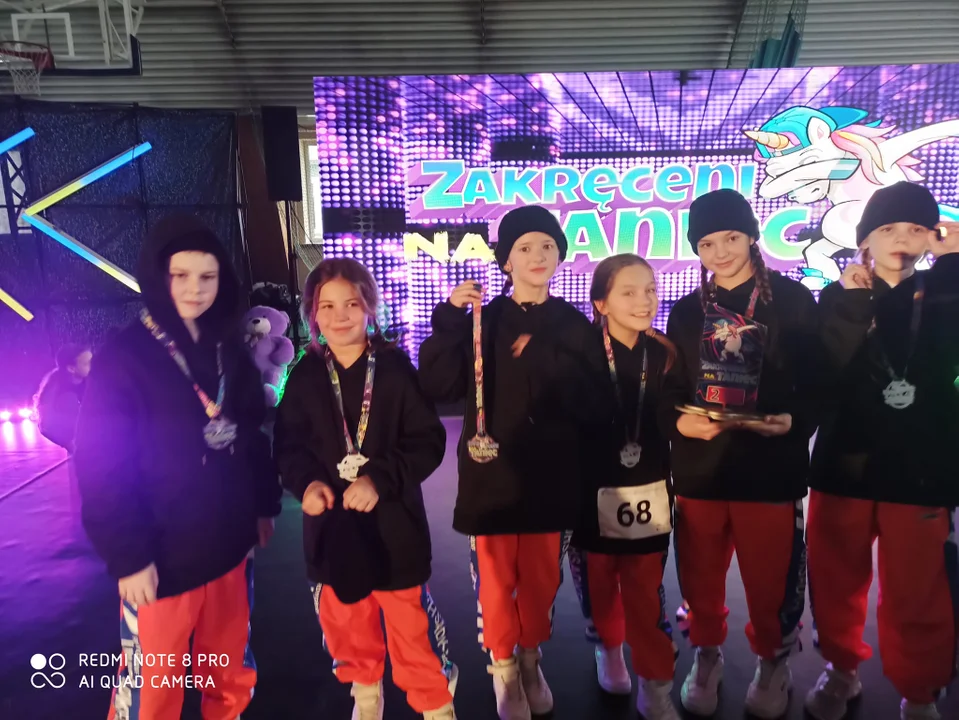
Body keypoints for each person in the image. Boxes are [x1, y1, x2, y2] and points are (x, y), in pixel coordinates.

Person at [74, 214, 282, 720]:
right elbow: (101, 464)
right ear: (157, 276)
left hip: (229, 546)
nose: (195, 289)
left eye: (208, 276)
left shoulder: (228, 346)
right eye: (180, 275)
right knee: (153, 687)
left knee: (228, 671)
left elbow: (250, 432)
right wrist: (127, 556)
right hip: (160, 555)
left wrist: (262, 505)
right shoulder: (124, 356)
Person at [418, 205, 601, 720]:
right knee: (496, 583)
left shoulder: (573, 324)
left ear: (560, 255)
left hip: (552, 477)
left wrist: (550, 363)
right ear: (505, 261)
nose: (537, 256)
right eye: (524, 247)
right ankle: (502, 666)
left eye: (547, 246)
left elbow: (593, 401)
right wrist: (449, 320)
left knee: (541, 580)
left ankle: (530, 659)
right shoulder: (485, 318)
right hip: (492, 475)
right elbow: (439, 384)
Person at [274, 258, 456, 720]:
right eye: (327, 306)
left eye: (351, 304)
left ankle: (435, 703)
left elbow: (428, 441)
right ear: (312, 314)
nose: (340, 316)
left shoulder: (395, 370)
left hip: (396, 531)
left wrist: (380, 478)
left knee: (411, 629)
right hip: (332, 532)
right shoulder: (305, 375)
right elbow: (288, 445)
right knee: (346, 626)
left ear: (370, 307)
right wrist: (308, 484)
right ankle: (366, 694)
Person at [662, 189, 819, 719]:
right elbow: (669, 389)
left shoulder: (793, 301)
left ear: (752, 235)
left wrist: (794, 421)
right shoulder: (687, 312)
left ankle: (773, 662)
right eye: (707, 243)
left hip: (769, 471)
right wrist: (677, 421)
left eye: (731, 237)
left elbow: (818, 382)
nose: (721, 252)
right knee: (699, 577)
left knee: (771, 579)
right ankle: (706, 654)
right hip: (700, 472)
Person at [806, 182, 959, 720]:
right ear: (864, 239)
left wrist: (954, 263)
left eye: (917, 229)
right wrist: (852, 304)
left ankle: (919, 691)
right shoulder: (839, 296)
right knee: (835, 579)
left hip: (920, 469)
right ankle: (841, 668)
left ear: (932, 237)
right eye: (888, 228)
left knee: (919, 589)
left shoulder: (943, 292)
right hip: (843, 465)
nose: (901, 239)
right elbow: (824, 372)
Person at [567, 254, 681, 720]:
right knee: (597, 586)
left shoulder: (666, 354)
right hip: (589, 495)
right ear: (601, 303)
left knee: (646, 592)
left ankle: (655, 682)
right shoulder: (579, 354)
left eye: (650, 290)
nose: (644, 301)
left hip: (649, 492)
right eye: (629, 292)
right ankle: (609, 649)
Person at [34, 343, 92, 452]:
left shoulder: (91, 381)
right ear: (71, 368)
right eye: (87, 363)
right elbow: (45, 426)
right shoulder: (59, 393)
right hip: (83, 448)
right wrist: (70, 445)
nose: (93, 366)